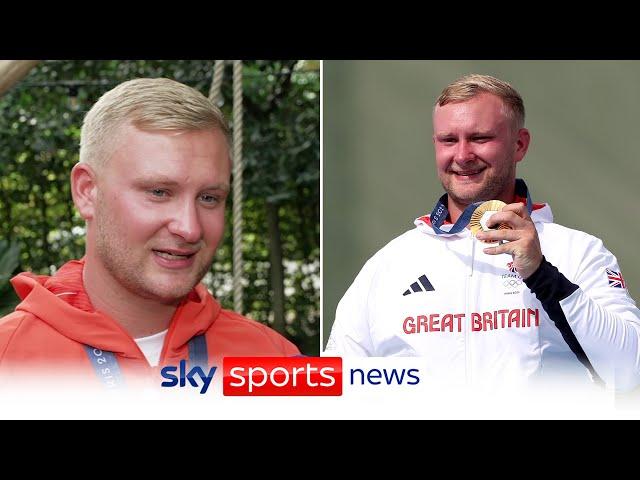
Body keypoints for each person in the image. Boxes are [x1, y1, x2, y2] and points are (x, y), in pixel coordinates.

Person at [325, 74, 640, 392]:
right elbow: (335, 384)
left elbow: (630, 368)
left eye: (480, 138)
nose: (462, 155)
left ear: (519, 145)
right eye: (449, 140)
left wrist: (542, 274)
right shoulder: (388, 265)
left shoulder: (576, 250)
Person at [0, 78, 299, 389]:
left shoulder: (276, 364)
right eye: (159, 192)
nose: (189, 227)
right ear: (87, 192)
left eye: (209, 198)